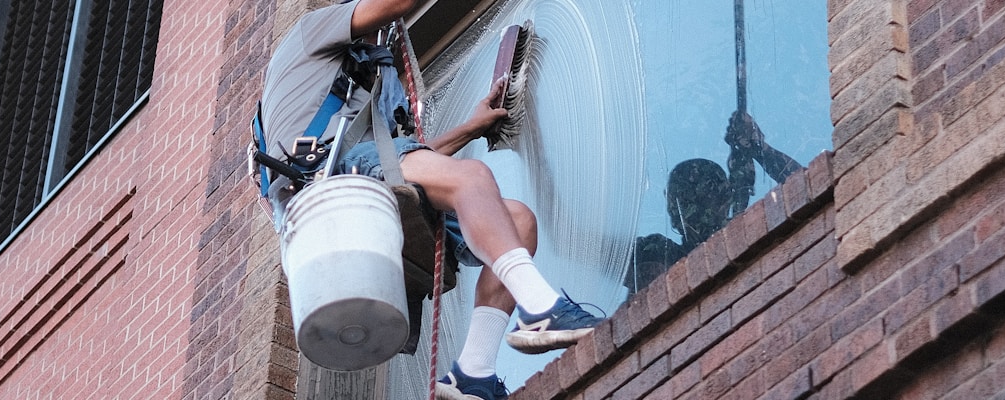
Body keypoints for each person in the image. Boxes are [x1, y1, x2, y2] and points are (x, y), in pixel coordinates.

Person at [259, 0, 603, 398]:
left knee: (519, 221)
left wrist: (469, 130)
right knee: (472, 176)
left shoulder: (374, 76)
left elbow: (398, 163)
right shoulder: (314, 30)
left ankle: (473, 371)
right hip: (332, 177)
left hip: (365, 182)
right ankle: (542, 307)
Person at [629, 111, 800, 294]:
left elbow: (802, 188)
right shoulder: (659, 251)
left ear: (723, 199)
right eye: (678, 202)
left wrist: (758, 148)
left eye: (695, 199)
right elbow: (604, 253)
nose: (682, 211)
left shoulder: (748, 232)